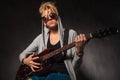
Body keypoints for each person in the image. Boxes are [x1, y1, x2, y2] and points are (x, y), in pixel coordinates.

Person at [19, 1, 87, 80]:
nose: (49, 18)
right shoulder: (40, 38)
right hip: (43, 75)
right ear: (44, 23)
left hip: (62, 75)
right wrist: (25, 60)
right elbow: (22, 54)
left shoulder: (71, 34)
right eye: (45, 18)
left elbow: (75, 66)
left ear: (57, 16)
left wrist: (79, 50)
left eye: (52, 15)